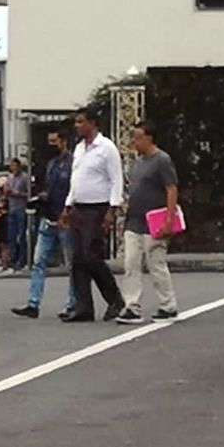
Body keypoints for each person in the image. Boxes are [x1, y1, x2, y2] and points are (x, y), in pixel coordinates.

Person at [59, 108, 126, 323]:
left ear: (93, 123)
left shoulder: (106, 148)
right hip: (78, 207)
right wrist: (68, 205)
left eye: (81, 122)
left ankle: (115, 299)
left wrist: (111, 210)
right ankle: (83, 307)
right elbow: (76, 179)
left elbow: (116, 180)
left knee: (92, 256)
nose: (77, 126)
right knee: (77, 259)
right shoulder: (79, 148)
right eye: (76, 122)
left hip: (97, 208)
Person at [116, 120, 181, 324]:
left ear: (149, 138)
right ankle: (131, 306)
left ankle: (168, 305)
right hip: (134, 219)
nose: (134, 142)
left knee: (156, 263)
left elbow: (171, 188)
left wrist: (169, 219)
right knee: (131, 263)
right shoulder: (138, 163)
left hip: (154, 220)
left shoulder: (162, 160)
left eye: (138, 137)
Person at [12, 129, 76, 319]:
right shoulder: (51, 164)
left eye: (54, 141)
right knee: (38, 261)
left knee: (72, 264)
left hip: (65, 218)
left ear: (63, 141)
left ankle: (72, 304)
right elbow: (47, 187)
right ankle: (33, 303)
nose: (51, 146)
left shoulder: (73, 163)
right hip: (47, 218)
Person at [4, 158, 30, 270]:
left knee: (21, 236)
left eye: (16, 166)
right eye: (12, 166)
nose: (14, 168)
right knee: (11, 236)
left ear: (19, 167)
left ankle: (22, 259)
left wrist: (17, 193)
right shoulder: (9, 178)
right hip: (12, 209)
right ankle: (13, 259)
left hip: (21, 209)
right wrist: (6, 191)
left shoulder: (24, 178)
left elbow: (29, 194)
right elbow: (5, 191)